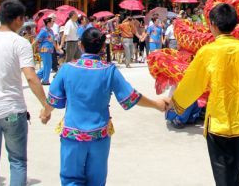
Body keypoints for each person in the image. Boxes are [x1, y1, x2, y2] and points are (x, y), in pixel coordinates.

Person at [169, 3, 239, 186]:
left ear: (213, 24)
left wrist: (175, 104)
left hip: (219, 122)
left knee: (226, 177)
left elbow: (192, 84)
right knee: (234, 173)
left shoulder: (208, 52)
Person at [44, 28, 167, 185]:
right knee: (97, 181)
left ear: (81, 45)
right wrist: (156, 104)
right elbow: (131, 97)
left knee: (70, 180)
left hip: (72, 136)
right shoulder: (109, 70)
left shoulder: (67, 69)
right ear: (103, 48)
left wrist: (45, 113)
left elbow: (53, 101)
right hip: (99, 136)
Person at [0, 0, 50, 186]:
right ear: (17, 19)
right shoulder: (20, 42)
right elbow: (31, 77)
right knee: (17, 160)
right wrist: (45, 105)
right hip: (12, 109)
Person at [35, 17, 59, 85]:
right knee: (48, 65)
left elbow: (53, 40)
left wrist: (56, 48)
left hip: (50, 49)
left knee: (47, 65)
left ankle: (38, 77)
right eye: (52, 22)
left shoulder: (51, 31)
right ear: (48, 23)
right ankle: (45, 80)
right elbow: (38, 40)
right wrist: (33, 47)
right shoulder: (43, 30)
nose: (53, 23)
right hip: (44, 49)